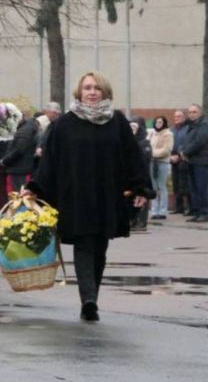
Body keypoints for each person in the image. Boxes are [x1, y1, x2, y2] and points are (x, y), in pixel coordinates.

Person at [29, 71, 151, 321]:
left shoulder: (116, 122)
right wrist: (36, 188)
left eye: (97, 88)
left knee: (100, 247)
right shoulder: (64, 123)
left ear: (105, 92)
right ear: (79, 92)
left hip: (107, 195)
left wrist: (141, 188)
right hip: (75, 196)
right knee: (84, 244)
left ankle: (91, 294)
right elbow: (50, 161)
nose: (92, 92)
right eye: (87, 87)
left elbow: (132, 157)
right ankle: (88, 300)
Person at [181, 104, 208, 223]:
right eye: (190, 112)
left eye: (194, 112)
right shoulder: (191, 126)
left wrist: (185, 152)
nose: (191, 114)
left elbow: (199, 142)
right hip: (191, 161)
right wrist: (182, 151)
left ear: (200, 113)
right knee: (194, 188)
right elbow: (186, 141)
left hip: (201, 162)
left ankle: (204, 212)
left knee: (202, 188)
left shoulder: (204, 126)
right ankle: (197, 212)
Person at [0, 111, 40, 192]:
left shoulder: (24, 131)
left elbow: (19, 150)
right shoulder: (27, 129)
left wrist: (4, 161)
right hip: (22, 169)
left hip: (19, 170)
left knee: (19, 197)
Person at [129, 116, 153, 231]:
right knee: (132, 197)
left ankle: (141, 222)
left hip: (143, 174)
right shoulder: (129, 141)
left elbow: (145, 159)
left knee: (143, 196)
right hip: (132, 175)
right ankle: (133, 220)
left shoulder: (144, 142)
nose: (132, 130)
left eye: (135, 127)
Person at [149, 115, 173, 220]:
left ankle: (163, 211)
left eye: (160, 122)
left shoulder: (168, 134)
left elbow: (167, 150)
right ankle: (154, 211)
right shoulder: (152, 133)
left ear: (164, 123)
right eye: (156, 122)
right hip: (152, 163)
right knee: (153, 187)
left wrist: (151, 153)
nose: (158, 124)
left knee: (161, 186)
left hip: (162, 162)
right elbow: (147, 146)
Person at [171, 109, 191, 215]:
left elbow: (187, 144)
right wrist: (171, 156)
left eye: (179, 116)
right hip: (173, 160)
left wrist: (179, 155)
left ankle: (190, 207)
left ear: (184, 117)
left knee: (186, 184)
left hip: (184, 159)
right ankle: (179, 207)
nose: (176, 118)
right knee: (176, 184)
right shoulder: (172, 129)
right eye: (175, 116)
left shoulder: (188, 129)